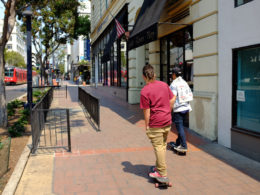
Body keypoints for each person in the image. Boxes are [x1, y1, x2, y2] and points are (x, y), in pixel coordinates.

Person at [140, 64, 175, 179]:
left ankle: (162, 173)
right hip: (167, 121)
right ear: (154, 74)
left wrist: (147, 126)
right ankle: (159, 166)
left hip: (156, 124)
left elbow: (147, 111)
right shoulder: (164, 85)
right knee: (162, 145)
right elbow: (173, 98)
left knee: (159, 147)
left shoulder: (145, 91)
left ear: (144, 77)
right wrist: (168, 111)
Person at [170, 67, 193, 153]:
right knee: (181, 127)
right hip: (186, 108)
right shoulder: (184, 82)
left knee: (180, 128)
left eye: (172, 74)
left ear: (174, 74)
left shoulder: (174, 84)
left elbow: (173, 98)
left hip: (178, 109)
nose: (172, 76)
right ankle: (178, 143)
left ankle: (183, 145)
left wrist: (169, 110)